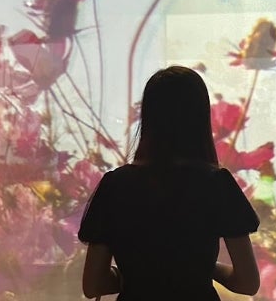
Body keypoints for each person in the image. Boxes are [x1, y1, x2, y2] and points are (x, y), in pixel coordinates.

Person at [78, 66, 260, 300]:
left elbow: (93, 285)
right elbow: (247, 283)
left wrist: (133, 275)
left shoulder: (115, 185)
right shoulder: (217, 184)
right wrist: (205, 268)